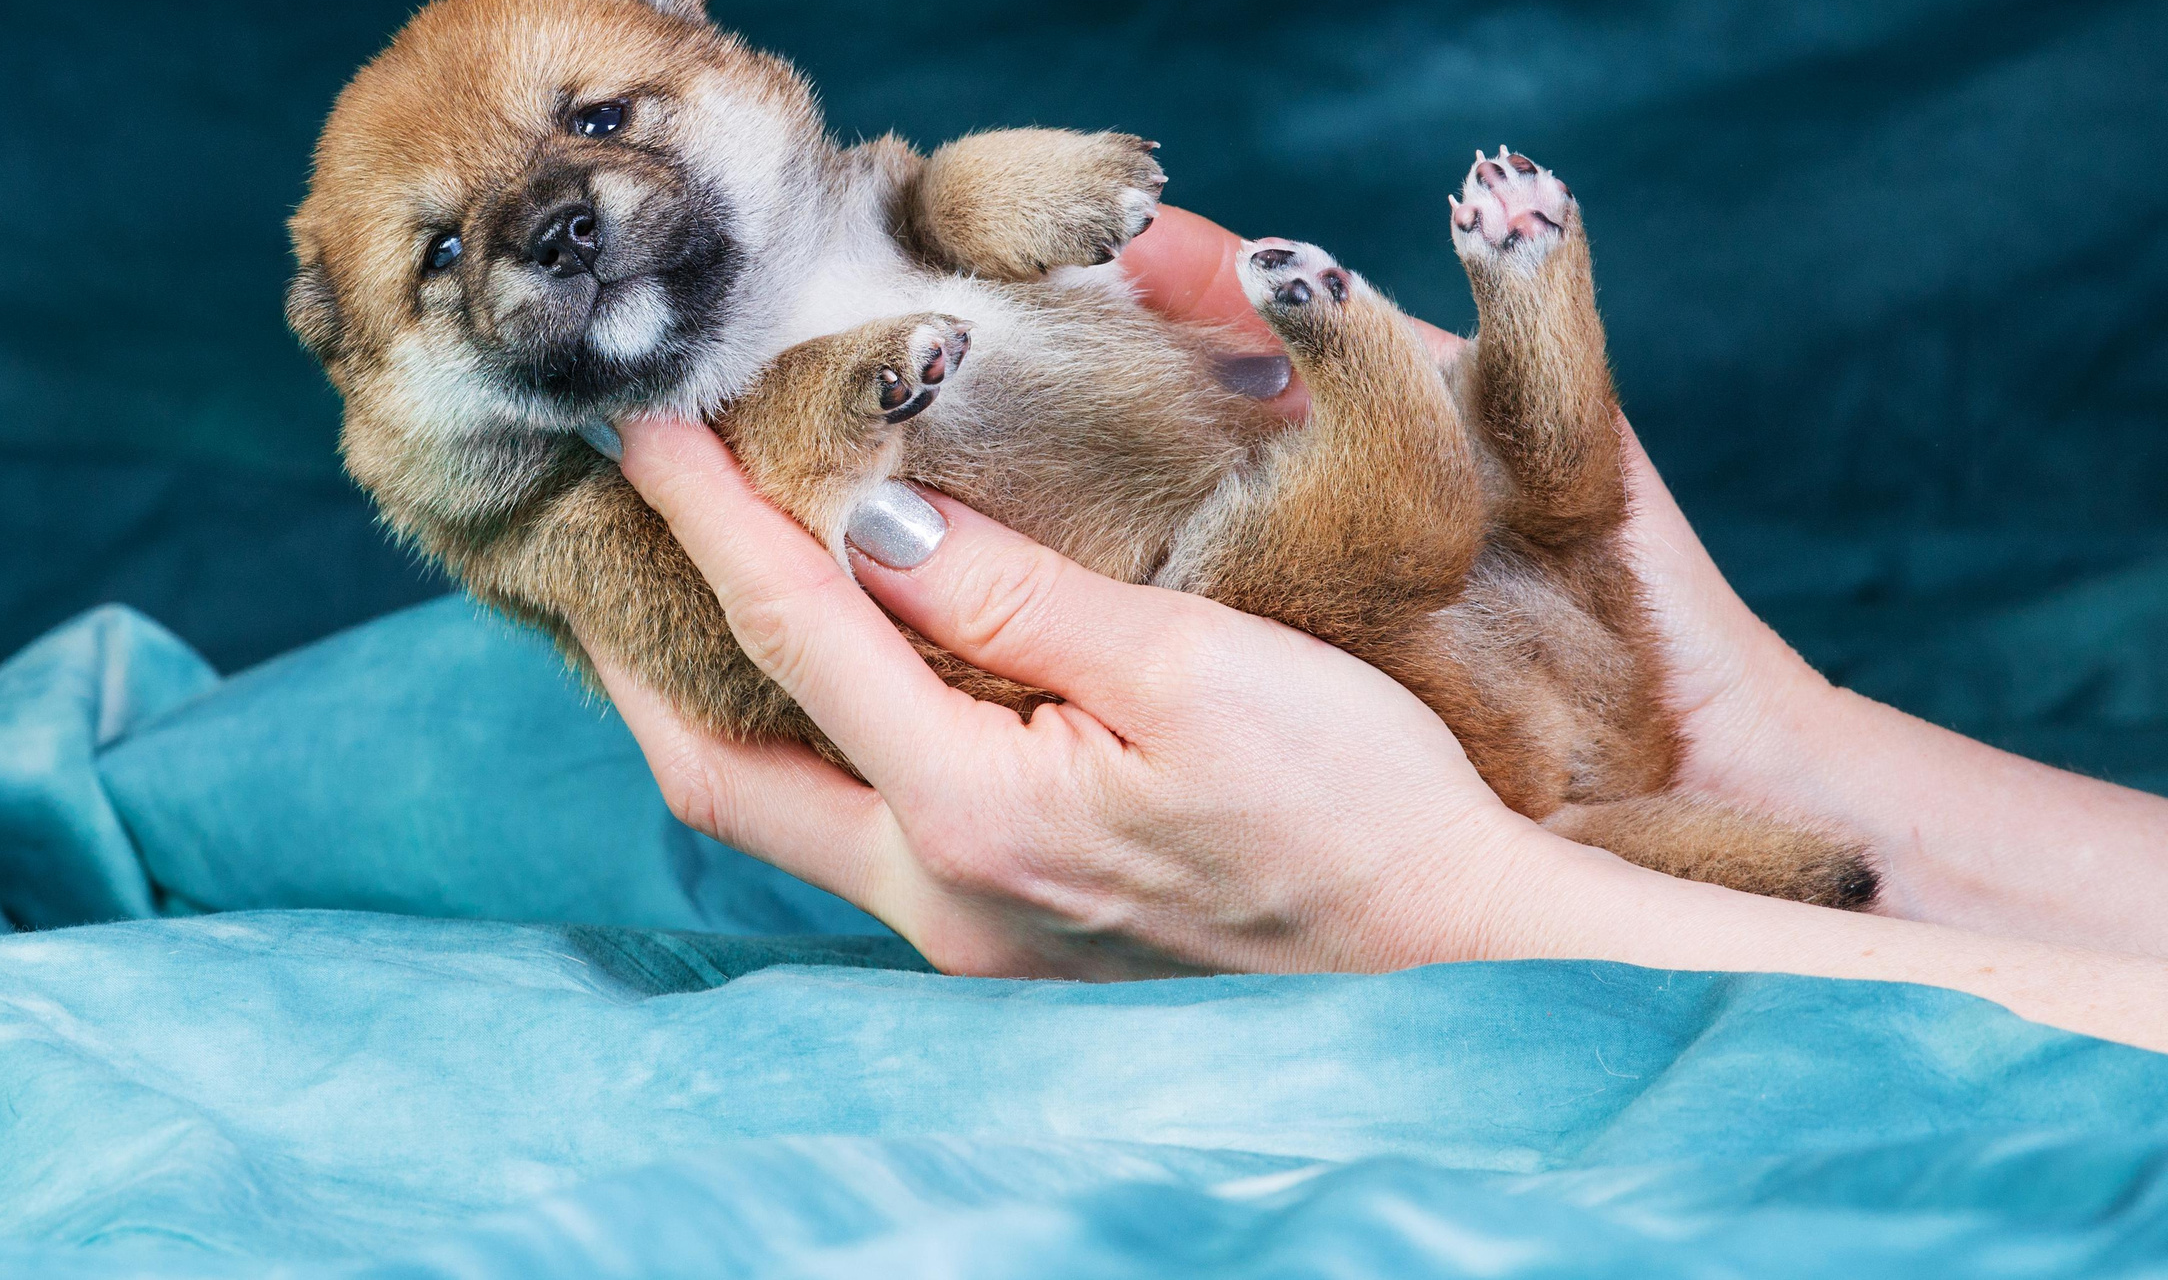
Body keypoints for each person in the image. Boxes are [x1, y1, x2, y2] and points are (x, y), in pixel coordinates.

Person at [580, 210, 2168, 1053]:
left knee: (1366, 550)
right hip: (1574, 710)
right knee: (1547, 494)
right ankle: (1512, 309)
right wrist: (1778, 738)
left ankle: (1419, 361)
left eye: (600, 117)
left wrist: (1449, 901)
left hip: (1459, 709)